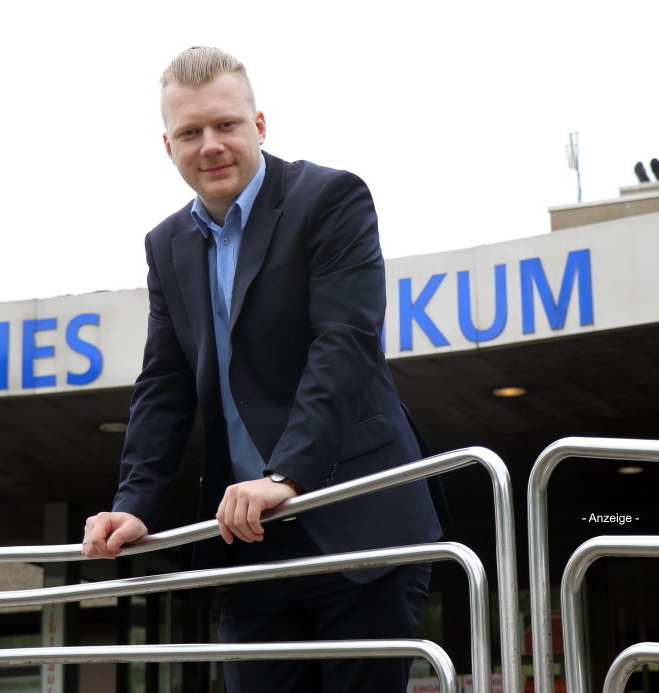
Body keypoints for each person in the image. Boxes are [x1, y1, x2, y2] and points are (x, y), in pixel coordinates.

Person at [82, 46, 442, 692]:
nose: (211, 145)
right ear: (168, 146)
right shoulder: (166, 245)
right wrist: (134, 502)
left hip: (355, 520)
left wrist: (287, 475)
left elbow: (346, 344)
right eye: (191, 132)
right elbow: (164, 384)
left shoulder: (330, 199)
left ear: (261, 125)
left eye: (226, 125)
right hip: (252, 543)